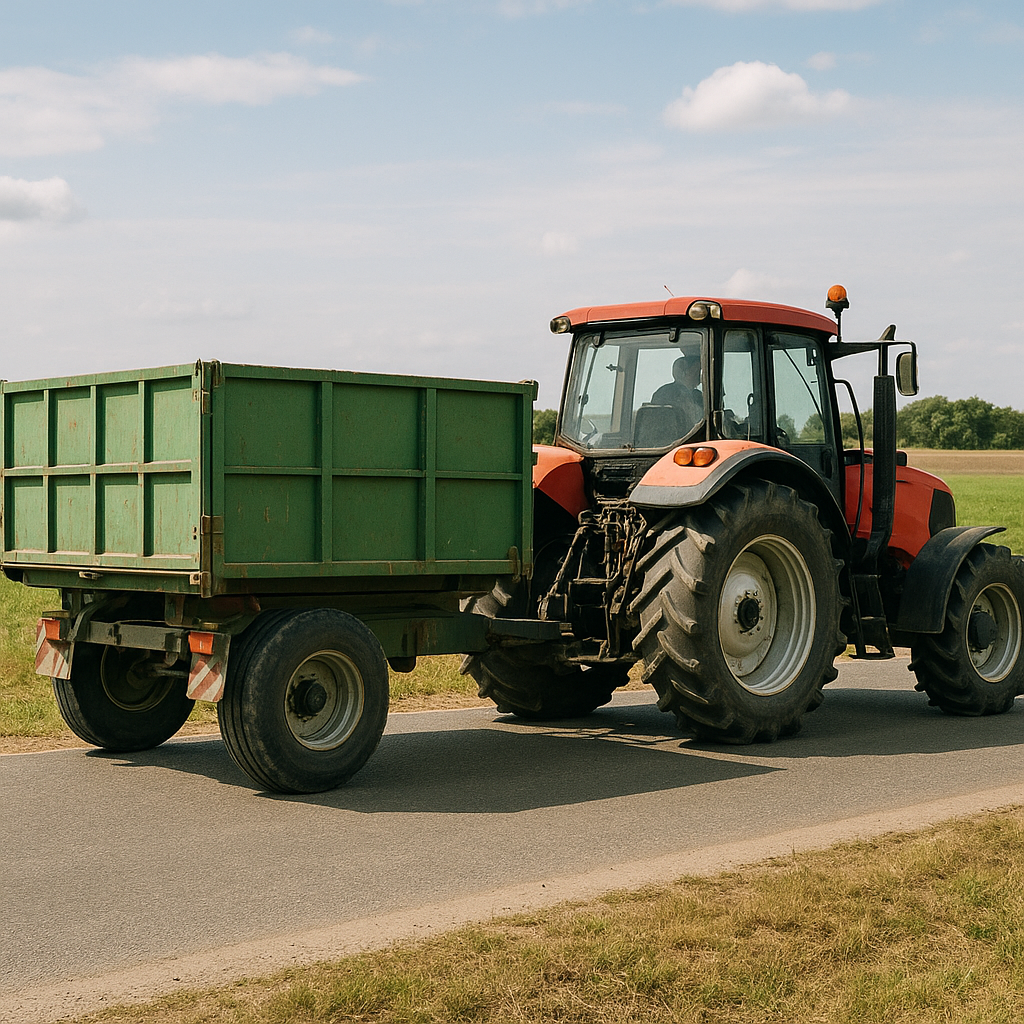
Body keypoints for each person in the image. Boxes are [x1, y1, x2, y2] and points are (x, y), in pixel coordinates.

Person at [651, 353, 703, 428]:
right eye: (695, 370)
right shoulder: (665, 393)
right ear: (683, 372)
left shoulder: (698, 396)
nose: (699, 374)